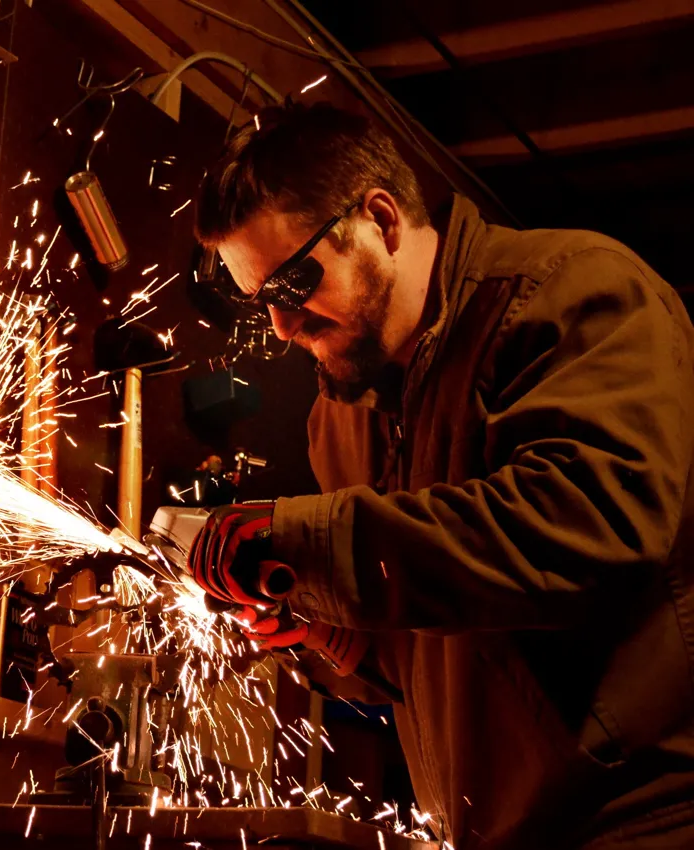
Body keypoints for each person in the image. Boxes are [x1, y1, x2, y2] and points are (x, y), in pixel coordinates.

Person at [186, 102, 694, 850]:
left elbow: (592, 528)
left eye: (293, 285)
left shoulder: (571, 293)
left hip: (644, 818)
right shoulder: (340, 419)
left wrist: (313, 544)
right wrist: (334, 631)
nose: (284, 327)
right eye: (263, 304)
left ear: (382, 221)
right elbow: (443, 640)